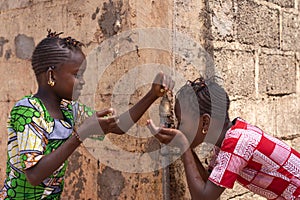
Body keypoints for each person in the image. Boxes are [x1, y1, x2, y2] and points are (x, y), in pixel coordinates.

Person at [0, 30, 174, 200]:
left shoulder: (70, 109)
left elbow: (119, 126)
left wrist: (152, 95)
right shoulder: (28, 111)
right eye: (77, 75)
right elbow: (34, 175)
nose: (82, 81)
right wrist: (81, 134)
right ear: (52, 75)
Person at [147, 77, 300, 200]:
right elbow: (209, 183)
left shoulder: (238, 143)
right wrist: (185, 147)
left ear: (205, 122)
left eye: (183, 122)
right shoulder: (228, 141)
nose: (179, 128)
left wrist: (184, 146)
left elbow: (204, 198)